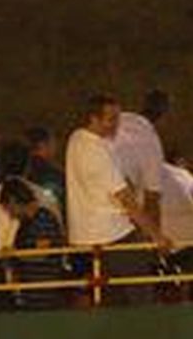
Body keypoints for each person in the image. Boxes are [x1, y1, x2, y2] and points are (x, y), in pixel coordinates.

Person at [65, 93, 166, 305]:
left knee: (115, 298)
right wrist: (156, 234)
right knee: (140, 295)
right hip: (113, 231)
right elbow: (125, 198)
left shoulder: (77, 139)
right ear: (94, 119)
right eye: (111, 119)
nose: (116, 125)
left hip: (90, 233)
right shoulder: (96, 150)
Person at [0, 177, 71, 310]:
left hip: (44, 295)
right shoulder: (26, 223)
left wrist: (14, 254)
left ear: (14, 201)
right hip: (32, 295)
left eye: (8, 208)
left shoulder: (43, 219)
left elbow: (42, 254)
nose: (9, 214)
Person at [113, 89, 168, 239]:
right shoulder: (150, 140)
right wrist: (156, 237)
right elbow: (152, 196)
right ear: (164, 118)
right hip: (119, 219)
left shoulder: (120, 119)